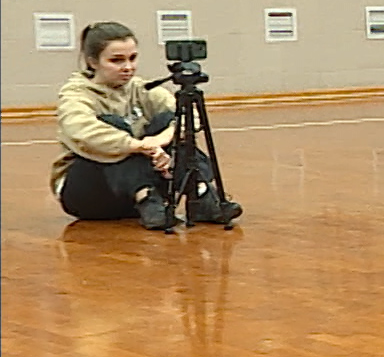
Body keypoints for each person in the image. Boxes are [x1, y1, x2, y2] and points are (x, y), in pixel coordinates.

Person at [50, 22, 241, 230]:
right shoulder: (75, 94)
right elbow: (85, 133)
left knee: (168, 119)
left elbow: (191, 116)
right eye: (116, 60)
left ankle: (201, 195)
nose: (128, 67)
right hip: (90, 194)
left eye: (132, 58)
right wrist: (142, 147)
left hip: (134, 194)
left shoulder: (141, 88)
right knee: (114, 127)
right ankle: (145, 196)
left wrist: (163, 139)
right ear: (92, 61)